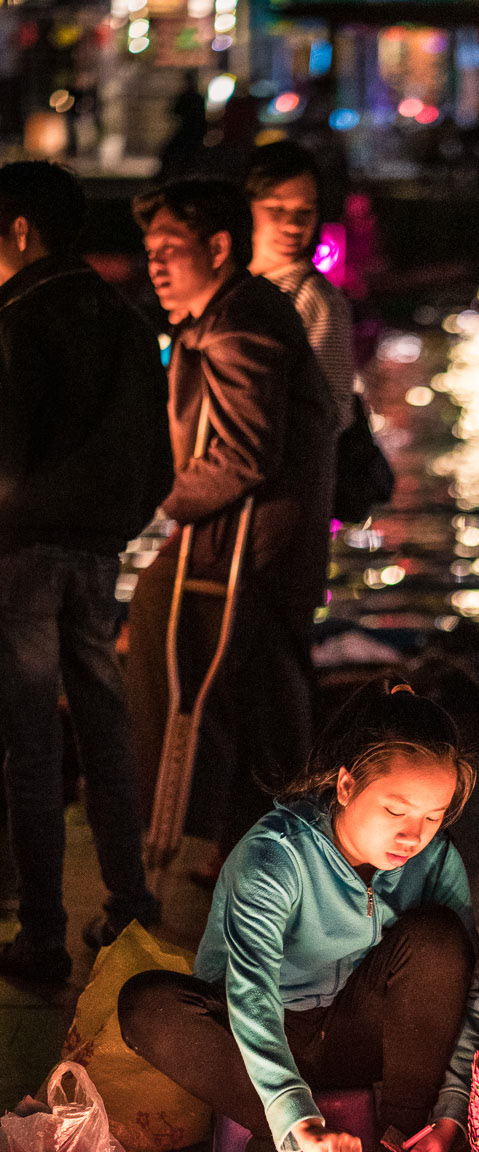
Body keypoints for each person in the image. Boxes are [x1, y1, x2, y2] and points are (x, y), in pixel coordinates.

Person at [118, 678, 479, 1152]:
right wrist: (299, 1119)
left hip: (355, 1036)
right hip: (252, 1044)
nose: (414, 836)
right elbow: (251, 995)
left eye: (433, 817)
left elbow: (463, 993)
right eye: (395, 811)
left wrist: (449, 1116)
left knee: (441, 940)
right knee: (147, 1004)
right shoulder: (276, 855)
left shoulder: (435, 861)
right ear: (345, 786)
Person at [127, 178, 337, 858]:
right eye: (148, 250)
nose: (154, 264)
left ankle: (171, 848)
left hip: (237, 552)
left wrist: (160, 497)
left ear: (218, 248)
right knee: (263, 713)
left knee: (181, 682)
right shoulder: (236, 313)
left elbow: (245, 451)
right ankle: (237, 857)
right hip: (258, 551)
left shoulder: (237, 322)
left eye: (170, 249)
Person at [0, 161, 172, 982]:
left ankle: (40, 932)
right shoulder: (130, 321)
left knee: (31, 744)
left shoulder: (14, 319)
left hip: (20, 555)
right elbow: (159, 463)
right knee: (103, 729)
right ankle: (131, 900)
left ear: (21, 231)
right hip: (100, 552)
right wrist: (111, 528)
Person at [244, 139, 354, 431]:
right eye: (276, 210)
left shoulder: (314, 299)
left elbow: (333, 412)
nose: (293, 225)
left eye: (305, 212)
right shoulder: (234, 286)